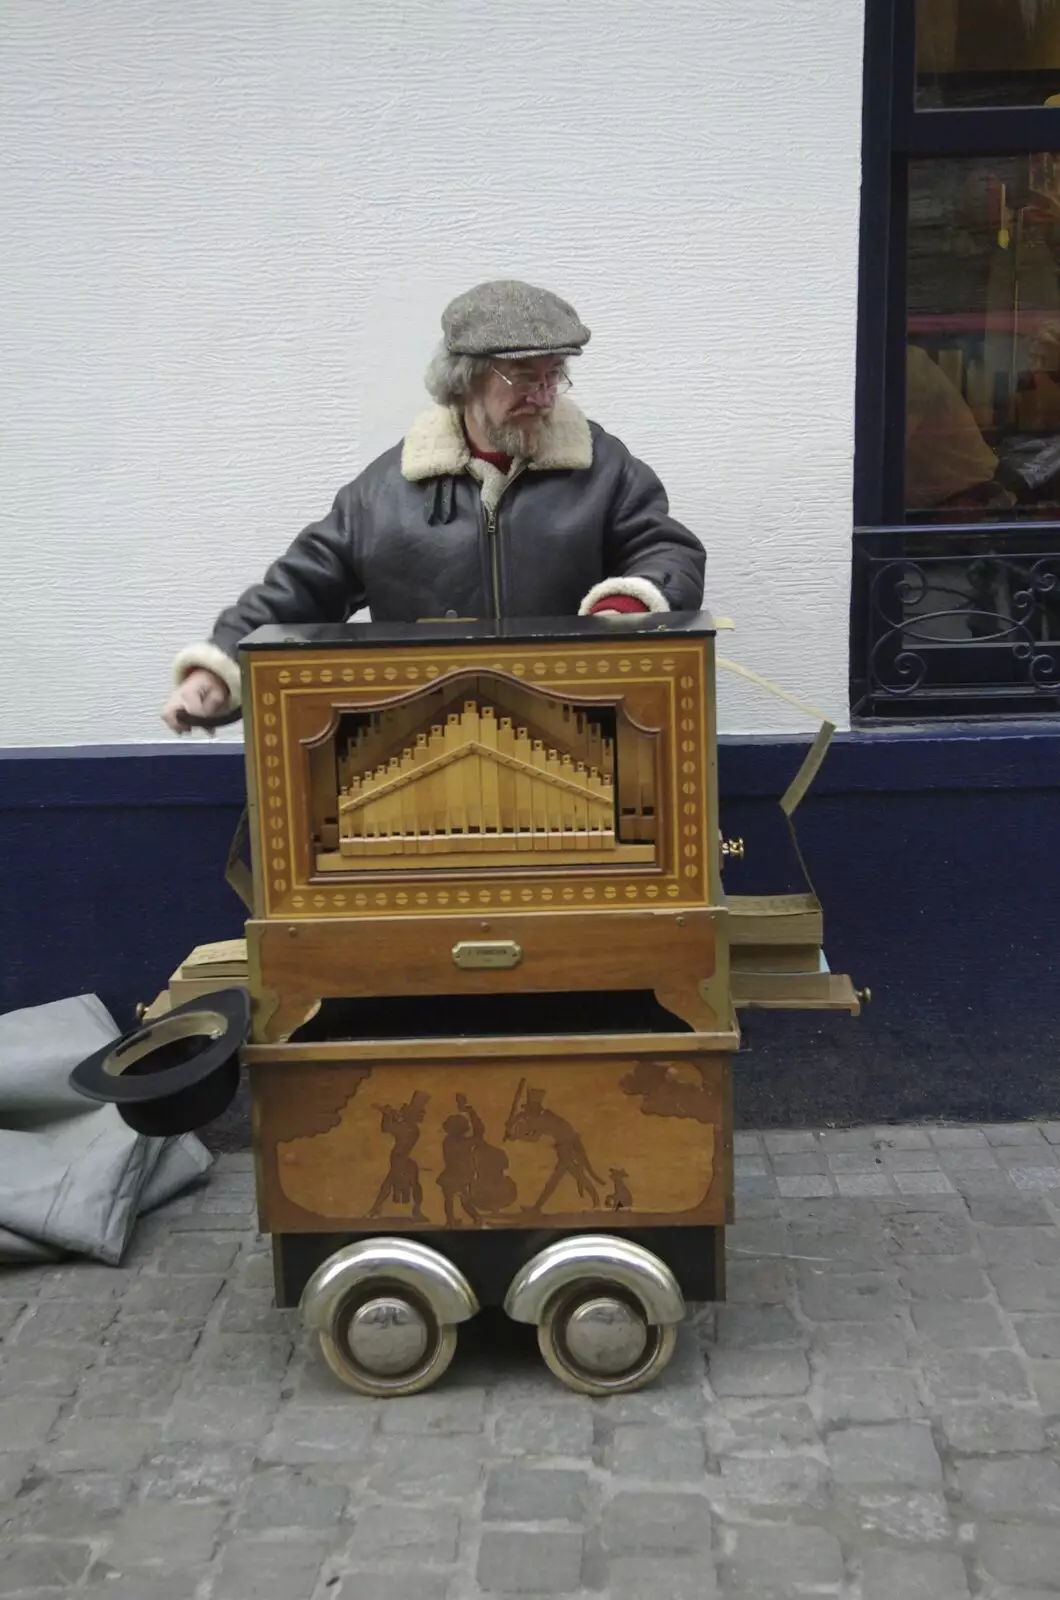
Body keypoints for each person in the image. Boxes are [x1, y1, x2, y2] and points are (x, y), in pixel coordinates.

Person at [162, 279, 705, 733]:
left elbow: (667, 550)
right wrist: (217, 669)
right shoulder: (384, 491)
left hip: (577, 735)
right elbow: (300, 589)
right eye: (522, 378)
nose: (542, 397)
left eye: (552, 376)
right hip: (428, 749)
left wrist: (628, 607)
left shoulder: (603, 468)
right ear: (464, 380)